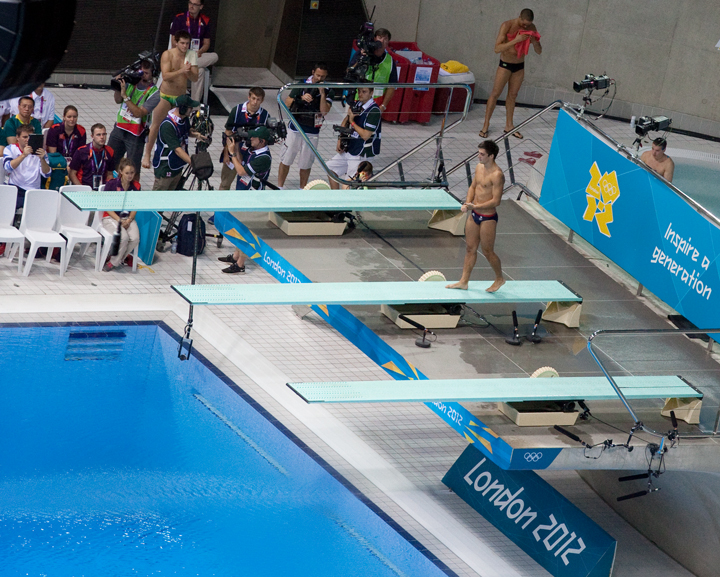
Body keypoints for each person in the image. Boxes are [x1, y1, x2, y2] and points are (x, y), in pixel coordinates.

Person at [447, 140, 505, 293]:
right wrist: (467, 203)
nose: (478, 156)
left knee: (487, 251)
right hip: (474, 213)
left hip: (488, 218)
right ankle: (464, 281)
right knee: (469, 248)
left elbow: (496, 201)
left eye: (482, 154)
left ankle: (499, 278)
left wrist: (476, 206)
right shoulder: (479, 167)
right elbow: (473, 186)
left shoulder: (497, 175)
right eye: (479, 153)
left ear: (491, 156)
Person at [479, 9, 541, 140]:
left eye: (528, 25)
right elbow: (497, 49)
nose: (526, 27)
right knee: (495, 94)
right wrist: (516, 40)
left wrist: (535, 41)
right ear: (519, 17)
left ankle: (509, 126)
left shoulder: (532, 27)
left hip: (519, 66)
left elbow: (539, 51)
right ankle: (485, 125)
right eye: (524, 24)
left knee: (512, 95)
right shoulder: (507, 25)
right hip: (505, 65)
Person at [217, 126, 272, 274]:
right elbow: (240, 163)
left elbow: (241, 171)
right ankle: (236, 257)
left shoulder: (263, 158)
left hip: (252, 198)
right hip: (243, 192)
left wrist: (233, 152)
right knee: (239, 227)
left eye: (253, 138)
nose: (250, 139)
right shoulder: (252, 150)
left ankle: (241, 264)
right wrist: (234, 148)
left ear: (262, 141)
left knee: (246, 231)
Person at [142, 30, 198, 170]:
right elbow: (166, 76)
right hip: (165, 95)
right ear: (176, 42)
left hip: (180, 97)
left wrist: (189, 71)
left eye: (187, 43)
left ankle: (178, 155)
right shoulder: (168, 54)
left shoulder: (191, 55)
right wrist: (182, 71)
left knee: (181, 127)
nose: (185, 46)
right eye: (182, 43)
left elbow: (195, 78)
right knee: (155, 125)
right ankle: (147, 154)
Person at [277, 63, 333, 189]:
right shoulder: (301, 84)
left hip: (312, 131)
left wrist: (322, 94)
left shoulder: (329, 90)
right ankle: (279, 187)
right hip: (295, 129)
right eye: (318, 75)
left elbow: (324, 111)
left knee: (306, 163)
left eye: (322, 77)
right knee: (286, 159)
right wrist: (300, 98)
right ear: (313, 72)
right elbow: (287, 102)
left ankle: (303, 189)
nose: (319, 79)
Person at [108, 60, 160, 178]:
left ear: (153, 75)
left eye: (146, 73)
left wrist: (125, 96)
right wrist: (118, 87)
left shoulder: (154, 93)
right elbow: (117, 100)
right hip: (120, 128)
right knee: (109, 162)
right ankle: (109, 187)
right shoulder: (131, 82)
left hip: (136, 134)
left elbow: (139, 113)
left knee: (133, 169)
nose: (142, 75)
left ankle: (132, 189)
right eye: (141, 72)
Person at [327, 86, 381, 189]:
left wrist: (352, 122)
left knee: (350, 184)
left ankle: (348, 203)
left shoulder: (374, 111)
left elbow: (365, 135)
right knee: (330, 169)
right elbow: (346, 120)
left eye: (364, 91)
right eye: (359, 91)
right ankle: (336, 199)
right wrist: (340, 139)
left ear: (371, 92)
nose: (360, 94)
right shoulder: (357, 104)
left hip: (361, 153)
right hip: (350, 149)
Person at [219, 87, 268, 190]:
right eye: (253, 98)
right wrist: (226, 153)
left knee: (245, 186)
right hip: (234, 151)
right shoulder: (236, 111)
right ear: (248, 97)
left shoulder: (265, 115)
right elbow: (228, 133)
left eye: (258, 99)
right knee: (225, 183)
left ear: (262, 100)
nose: (255, 102)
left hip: (251, 155)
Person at [170, 0, 218, 103]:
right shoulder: (180, 18)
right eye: (190, 3)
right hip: (180, 55)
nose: (191, 6)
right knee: (199, 71)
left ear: (201, 7)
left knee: (214, 56)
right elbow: (174, 41)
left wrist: (200, 52)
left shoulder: (205, 20)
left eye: (195, 4)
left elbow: (206, 44)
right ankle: (194, 106)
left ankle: (193, 108)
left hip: (196, 55)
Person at [151, 94, 203, 191]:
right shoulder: (168, 125)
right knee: (158, 199)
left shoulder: (184, 119)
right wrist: (194, 163)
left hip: (177, 166)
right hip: (165, 168)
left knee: (172, 198)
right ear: (182, 108)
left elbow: (187, 131)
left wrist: (197, 135)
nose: (192, 110)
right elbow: (177, 150)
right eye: (190, 107)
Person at [101, 158, 141, 272]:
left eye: (132, 173)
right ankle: (114, 262)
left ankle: (114, 261)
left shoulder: (136, 186)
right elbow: (106, 207)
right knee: (123, 237)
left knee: (135, 238)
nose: (130, 176)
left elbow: (135, 206)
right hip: (111, 217)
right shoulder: (112, 184)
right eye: (127, 173)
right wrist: (119, 220)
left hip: (127, 218)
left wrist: (128, 220)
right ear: (121, 171)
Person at [2, 124, 51, 210]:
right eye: (24, 137)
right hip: (16, 189)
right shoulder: (10, 149)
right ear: (17, 137)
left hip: (35, 190)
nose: (27, 140)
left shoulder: (40, 152)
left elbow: (47, 174)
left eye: (30, 137)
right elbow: (7, 167)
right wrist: (23, 155)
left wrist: (42, 159)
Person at [348, 28, 397, 113]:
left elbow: (392, 86)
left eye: (385, 39)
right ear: (374, 39)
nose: (382, 41)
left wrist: (383, 106)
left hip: (376, 103)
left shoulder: (390, 61)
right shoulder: (362, 54)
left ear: (388, 42)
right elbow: (349, 71)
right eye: (379, 38)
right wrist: (361, 58)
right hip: (356, 100)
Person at [69, 124, 115, 189]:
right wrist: (82, 189)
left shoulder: (110, 151)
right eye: (98, 135)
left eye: (104, 134)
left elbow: (110, 174)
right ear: (92, 136)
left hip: (101, 190)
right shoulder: (81, 151)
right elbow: (72, 173)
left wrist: (107, 188)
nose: (102, 137)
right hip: (84, 188)